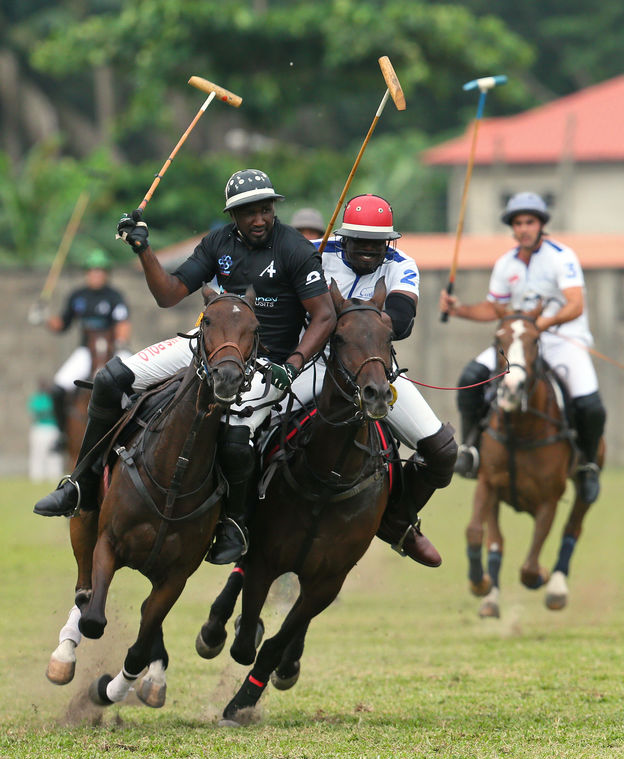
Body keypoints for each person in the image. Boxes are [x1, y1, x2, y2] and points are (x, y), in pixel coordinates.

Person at [34, 168, 336, 566]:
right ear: (233, 216)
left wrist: (293, 364)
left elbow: (325, 315)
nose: (260, 219)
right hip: (205, 347)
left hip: (266, 362)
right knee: (110, 380)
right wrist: (144, 249)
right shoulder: (217, 243)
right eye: (249, 213)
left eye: (265, 210)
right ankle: (83, 485)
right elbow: (169, 294)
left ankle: (235, 523)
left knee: (234, 434)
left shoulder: (295, 249)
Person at [300, 194, 458, 568]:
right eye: (360, 242)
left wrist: (356, 320)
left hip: (372, 371)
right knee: (253, 426)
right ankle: (236, 518)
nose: (369, 251)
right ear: (344, 237)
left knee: (442, 452)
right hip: (313, 366)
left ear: (389, 240)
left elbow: (400, 320)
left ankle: (397, 520)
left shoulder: (402, 265)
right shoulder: (314, 252)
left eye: (377, 243)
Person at [439, 191, 606, 503]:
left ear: (540, 224)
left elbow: (576, 305)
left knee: (590, 405)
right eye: (518, 223)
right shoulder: (506, 264)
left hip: (562, 339)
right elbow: (496, 309)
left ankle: (586, 466)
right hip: (518, 341)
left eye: (530, 221)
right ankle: (470, 449)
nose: (524, 228)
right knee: (469, 378)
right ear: (512, 228)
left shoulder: (561, 256)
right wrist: (458, 309)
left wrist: (540, 325)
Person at [44, 249, 131, 450]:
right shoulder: (77, 296)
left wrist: (120, 341)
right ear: (87, 273)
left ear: (106, 273)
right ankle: (62, 435)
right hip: (85, 351)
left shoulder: (114, 296)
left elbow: (123, 324)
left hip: (112, 348)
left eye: (100, 270)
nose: (96, 274)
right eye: (92, 270)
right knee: (58, 388)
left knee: (139, 379)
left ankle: (134, 428)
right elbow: (62, 324)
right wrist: (44, 318)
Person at [28, 380, 64, 481]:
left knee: (45, 454)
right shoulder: (50, 399)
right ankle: (46, 476)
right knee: (47, 454)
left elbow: (33, 414)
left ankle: (39, 476)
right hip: (47, 428)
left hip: (44, 428)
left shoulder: (37, 399)